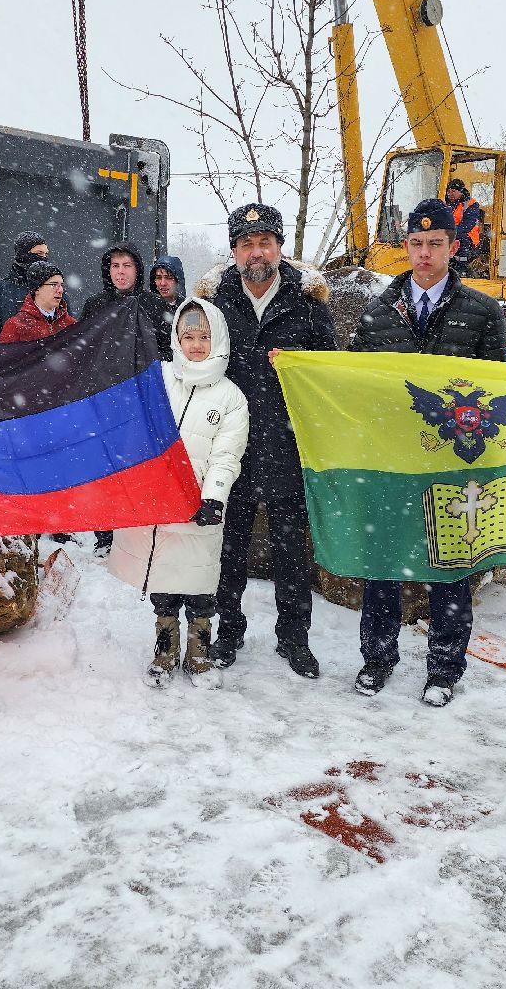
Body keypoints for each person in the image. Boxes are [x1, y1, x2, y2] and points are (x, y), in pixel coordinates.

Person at [348, 199, 506, 706]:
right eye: (415, 244)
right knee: (384, 561)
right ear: (406, 248)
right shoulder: (378, 312)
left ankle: (443, 668)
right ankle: (378, 658)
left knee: (450, 565)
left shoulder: (482, 312)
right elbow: (354, 382)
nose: (423, 253)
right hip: (392, 460)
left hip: (454, 461)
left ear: (453, 248)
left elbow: (498, 385)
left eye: (434, 243)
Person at [200, 202, 338, 678]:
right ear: (234, 251)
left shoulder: (308, 305)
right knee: (228, 545)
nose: (255, 252)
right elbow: (196, 368)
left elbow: (329, 375)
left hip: (287, 443)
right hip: (230, 446)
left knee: (290, 549)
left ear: (280, 247)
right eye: (245, 244)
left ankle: (294, 637)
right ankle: (229, 631)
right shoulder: (215, 306)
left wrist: (298, 365)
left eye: (264, 243)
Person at [109, 299, 249, 690]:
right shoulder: (159, 379)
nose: (196, 345)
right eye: (188, 337)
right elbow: (133, 426)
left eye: (204, 337)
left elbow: (227, 454)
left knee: (200, 581)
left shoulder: (230, 396)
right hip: (158, 500)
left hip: (201, 505)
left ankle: (199, 648)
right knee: (164, 579)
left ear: (217, 338)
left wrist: (214, 496)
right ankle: (165, 645)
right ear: (177, 339)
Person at [80, 240, 164, 552]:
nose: (120, 272)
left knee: (139, 466)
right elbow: (83, 351)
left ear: (138, 270)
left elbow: (167, 351)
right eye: (115, 266)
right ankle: (105, 535)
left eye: (126, 265)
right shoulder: (95, 305)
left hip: (142, 399)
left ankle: (137, 529)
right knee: (105, 467)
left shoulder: (154, 306)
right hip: (104, 398)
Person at [0, 231, 50, 343]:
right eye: (39, 253)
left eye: (46, 254)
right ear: (23, 254)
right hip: (8, 357)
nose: (44, 258)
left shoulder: (55, 291)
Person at [0, 261, 77, 343]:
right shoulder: (16, 326)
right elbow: (4, 355)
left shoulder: (71, 325)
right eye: (53, 284)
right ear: (37, 289)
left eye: (62, 285)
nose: (61, 290)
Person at [444, 178, 484, 272]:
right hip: (450, 233)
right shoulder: (445, 203)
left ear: (461, 192)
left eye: (453, 191)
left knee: (461, 240)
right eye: (449, 191)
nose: (450, 194)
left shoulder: (471, 205)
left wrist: (449, 232)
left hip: (469, 236)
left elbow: (468, 225)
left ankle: (461, 267)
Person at [150, 255, 186, 356]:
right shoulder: (146, 309)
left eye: (169, 278)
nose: (162, 283)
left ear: (178, 280)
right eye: (158, 277)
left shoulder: (188, 309)